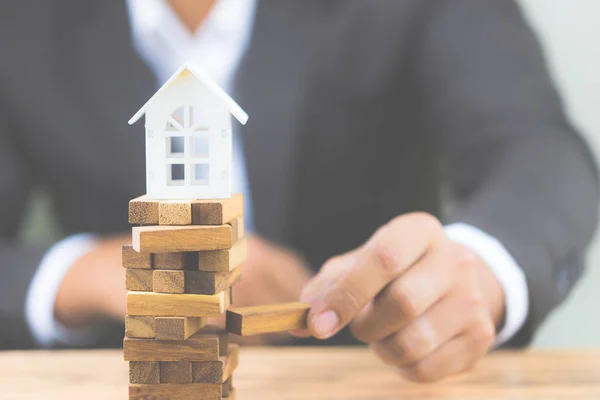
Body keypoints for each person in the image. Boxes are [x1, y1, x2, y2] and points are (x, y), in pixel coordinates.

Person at [0, 0, 597, 382]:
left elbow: (537, 150)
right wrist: (89, 273)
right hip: (127, 369)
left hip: (369, 371)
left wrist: (481, 264)